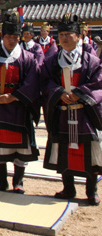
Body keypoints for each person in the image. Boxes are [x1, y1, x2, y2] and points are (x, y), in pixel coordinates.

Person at [0, 11, 41, 194]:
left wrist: (13, 96)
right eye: (8, 36)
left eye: (15, 36)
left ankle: (18, 181)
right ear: (1, 37)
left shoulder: (28, 58)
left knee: (21, 145)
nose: (12, 40)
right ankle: (1, 181)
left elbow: (32, 82)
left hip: (18, 105)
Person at [42, 13, 102, 206]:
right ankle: (68, 187)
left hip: (84, 112)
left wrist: (81, 93)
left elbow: (98, 82)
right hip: (62, 111)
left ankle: (91, 190)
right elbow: (45, 81)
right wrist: (59, 92)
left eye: (69, 34)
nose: (65, 38)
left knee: (89, 149)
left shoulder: (91, 60)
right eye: (61, 35)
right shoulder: (52, 61)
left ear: (78, 36)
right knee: (63, 148)